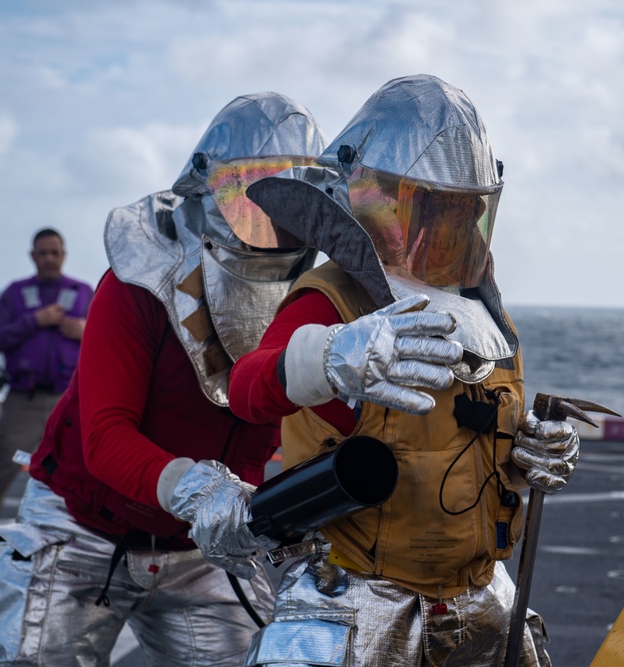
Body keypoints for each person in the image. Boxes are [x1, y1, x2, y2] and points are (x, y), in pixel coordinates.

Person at [201, 74, 574, 666]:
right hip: (360, 604)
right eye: (429, 207)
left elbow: (469, 449)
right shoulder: (331, 299)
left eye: (461, 211)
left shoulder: (488, 315)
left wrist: (528, 454)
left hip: (478, 602)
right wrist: (327, 357)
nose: (443, 229)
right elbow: (248, 388)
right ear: (373, 200)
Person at [0, 92, 327, 666]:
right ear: (206, 186)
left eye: (291, 203)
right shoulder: (139, 280)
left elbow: (298, 428)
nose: (269, 220)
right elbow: (106, 437)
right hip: (83, 524)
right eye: (248, 195)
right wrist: (201, 491)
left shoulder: (306, 298)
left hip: (201, 545)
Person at [0, 228, 94, 573]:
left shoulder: (82, 293)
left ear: (63, 255)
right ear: (32, 256)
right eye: (42, 252)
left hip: (69, 401)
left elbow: (111, 340)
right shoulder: (16, 294)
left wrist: (87, 329)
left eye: (54, 252)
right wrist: (33, 321)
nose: (49, 258)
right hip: (24, 399)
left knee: (77, 477)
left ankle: (77, 548)